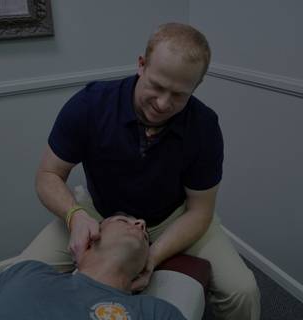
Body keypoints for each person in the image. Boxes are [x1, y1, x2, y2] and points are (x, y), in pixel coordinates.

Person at [30, 22, 260, 320]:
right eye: (157, 86)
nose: (163, 103)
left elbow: (200, 211)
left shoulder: (204, 126)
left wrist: (151, 256)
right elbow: (47, 175)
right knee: (23, 272)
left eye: (179, 95)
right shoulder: (90, 105)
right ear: (141, 65)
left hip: (173, 218)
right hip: (98, 213)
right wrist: (75, 216)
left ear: (196, 86)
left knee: (243, 290)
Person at [0, 215, 186, 319]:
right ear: (88, 241)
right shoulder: (27, 271)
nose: (141, 223)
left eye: (146, 237)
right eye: (123, 220)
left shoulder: (155, 312)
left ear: (142, 269)